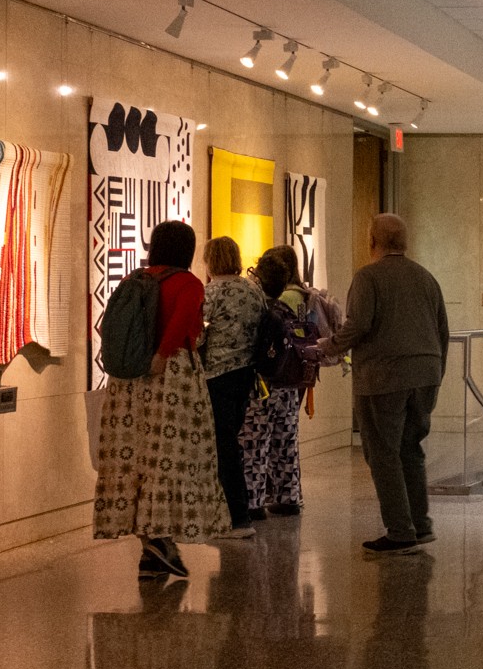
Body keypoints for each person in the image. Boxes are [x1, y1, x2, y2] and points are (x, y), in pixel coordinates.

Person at [94, 220, 232, 579]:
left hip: (128, 384)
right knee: (172, 458)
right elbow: (186, 323)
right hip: (172, 378)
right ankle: (160, 537)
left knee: (136, 459)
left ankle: (151, 553)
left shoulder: (132, 280)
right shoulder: (188, 283)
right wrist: (163, 354)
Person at [320, 214, 450, 556]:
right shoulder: (425, 277)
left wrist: (328, 346)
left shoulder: (369, 276)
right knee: (411, 449)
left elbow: (358, 324)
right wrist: (436, 373)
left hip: (383, 377)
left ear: (371, 240)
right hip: (426, 375)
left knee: (383, 453)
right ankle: (420, 525)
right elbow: (442, 331)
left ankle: (400, 530)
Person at [240, 247, 320, 518]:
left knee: (256, 443)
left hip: (264, 385)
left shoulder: (267, 306)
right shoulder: (302, 298)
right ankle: (289, 497)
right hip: (290, 381)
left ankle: (254, 501)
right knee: (286, 441)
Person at [200, 236, 265, 537]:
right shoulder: (253, 291)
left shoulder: (211, 293)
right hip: (246, 374)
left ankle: (237, 519)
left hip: (218, 375)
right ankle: (234, 514)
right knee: (231, 440)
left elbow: (198, 336)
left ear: (210, 260)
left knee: (224, 446)